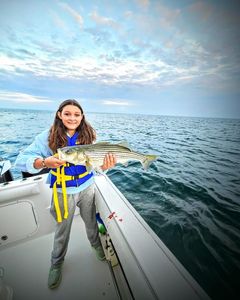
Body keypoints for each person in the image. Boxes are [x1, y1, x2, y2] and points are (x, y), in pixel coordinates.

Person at [15, 99, 116, 289]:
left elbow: (97, 165)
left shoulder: (90, 135)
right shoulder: (48, 136)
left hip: (87, 187)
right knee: (63, 229)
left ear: (82, 116)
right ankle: (56, 262)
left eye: (77, 114)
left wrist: (105, 166)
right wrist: (44, 162)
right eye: (67, 113)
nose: (72, 118)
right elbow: (21, 160)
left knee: (91, 222)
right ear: (59, 114)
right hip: (62, 191)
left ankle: (96, 246)